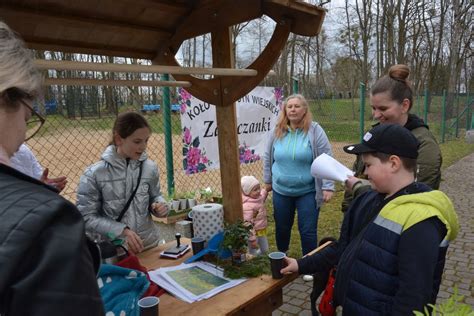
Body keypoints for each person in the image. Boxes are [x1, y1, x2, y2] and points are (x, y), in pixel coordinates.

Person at [281, 124, 459, 315]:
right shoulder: (368, 200)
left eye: (368, 165)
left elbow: (413, 298)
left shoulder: (421, 221)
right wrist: (301, 264)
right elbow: (343, 247)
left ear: (393, 163)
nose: (364, 173)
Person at [0, 21, 104, 315]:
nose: (23, 130)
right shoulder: (47, 223)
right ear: (9, 96)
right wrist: (36, 200)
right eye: (29, 113)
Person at [342, 64, 442, 212]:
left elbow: (416, 193)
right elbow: (358, 172)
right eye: (373, 108)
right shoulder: (374, 135)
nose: (376, 115)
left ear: (404, 106)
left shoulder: (423, 144)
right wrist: (349, 210)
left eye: (383, 109)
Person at [263, 93, 335, 281]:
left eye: (297, 106)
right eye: (289, 106)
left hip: (308, 191)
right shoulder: (277, 130)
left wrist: (328, 186)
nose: (293, 109)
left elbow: (326, 158)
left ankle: (308, 264)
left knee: (308, 229)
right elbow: (267, 157)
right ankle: (282, 256)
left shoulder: (315, 130)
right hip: (281, 190)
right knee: (282, 226)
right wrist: (268, 181)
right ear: (285, 110)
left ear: (304, 110)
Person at [77, 111, 169, 254]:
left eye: (146, 140)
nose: (143, 146)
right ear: (119, 139)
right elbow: (86, 217)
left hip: (149, 246)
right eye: (137, 141)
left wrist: (159, 206)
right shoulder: (94, 174)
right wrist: (122, 231)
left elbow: (155, 196)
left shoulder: (150, 168)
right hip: (114, 252)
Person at [241, 175, 269, 255]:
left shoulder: (258, 198)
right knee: (252, 251)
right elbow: (247, 224)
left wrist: (266, 190)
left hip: (261, 229)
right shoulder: (247, 206)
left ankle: (259, 256)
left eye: (258, 188)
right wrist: (252, 239)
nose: (258, 191)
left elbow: (263, 195)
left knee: (265, 249)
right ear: (247, 192)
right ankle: (253, 261)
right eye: (255, 190)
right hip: (253, 232)